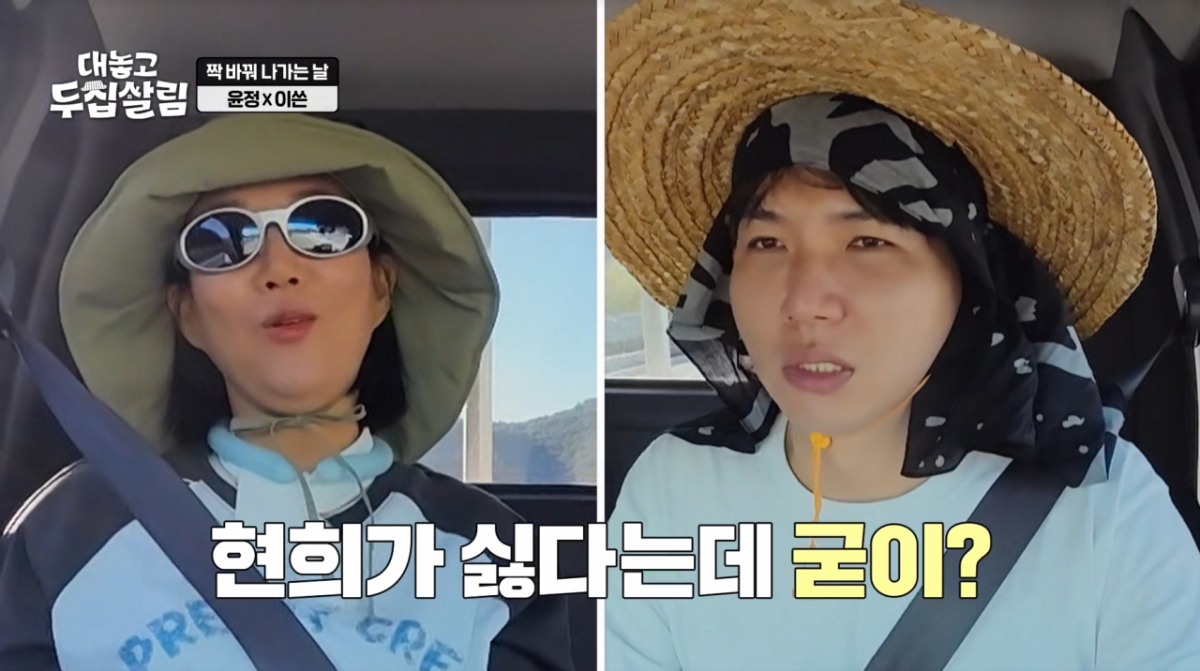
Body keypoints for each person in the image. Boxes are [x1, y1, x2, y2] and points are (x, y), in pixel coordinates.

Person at [603, 1, 1200, 669]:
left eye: (868, 241)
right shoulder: (673, 490)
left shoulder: (1104, 513)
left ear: (968, 282)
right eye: (766, 242)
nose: (803, 302)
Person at [0, 114, 574, 671]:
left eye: (324, 227)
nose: (279, 268)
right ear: (186, 314)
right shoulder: (70, 531)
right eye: (222, 240)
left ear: (381, 287)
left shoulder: (492, 547)